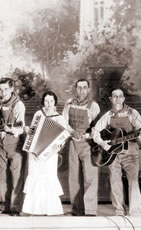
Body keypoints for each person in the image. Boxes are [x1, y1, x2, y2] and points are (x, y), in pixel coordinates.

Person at [92, 88, 141, 216]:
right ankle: (119, 211)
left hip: (131, 153)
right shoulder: (108, 115)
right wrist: (102, 143)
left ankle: (135, 212)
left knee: (133, 181)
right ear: (111, 99)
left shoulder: (133, 113)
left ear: (123, 99)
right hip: (113, 154)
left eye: (120, 96)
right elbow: (95, 131)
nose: (117, 99)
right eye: (114, 96)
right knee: (115, 181)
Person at [22, 91, 69, 216]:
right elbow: (32, 132)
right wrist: (28, 129)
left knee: (48, 178)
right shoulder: (39, 114)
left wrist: (54, 148)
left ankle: (51, 210)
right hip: (34, 153)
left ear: (55, 103)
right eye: (46, 101)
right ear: (43, 102)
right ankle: (31, 209)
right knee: (35, 177)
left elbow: (62, 138)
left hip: (50, 155)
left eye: (51, 101)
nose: (48, 104)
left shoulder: (60, 119)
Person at [0, 77, 26, 216]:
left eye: (6, 89)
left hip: (14, 144)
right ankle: (5, 205)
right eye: (1, 89)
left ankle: (15, 207)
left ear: (12, 89)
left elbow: (20, 127)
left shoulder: (18, 105)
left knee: (16, 176)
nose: (3, 92)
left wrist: (9, 129)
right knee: (1, 175)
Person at [62, 79, 100, 216]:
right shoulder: (69, 103)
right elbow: (63, 121)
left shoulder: (94, 106)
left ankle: (90, 210)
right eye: (79, 88)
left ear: (88, 89)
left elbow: (97, 128)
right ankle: (77, 209)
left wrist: (86, 134)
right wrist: (72, 132)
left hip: (88, 144)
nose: (82, 90)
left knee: (90, 177)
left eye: (84, 88)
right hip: (73, 142)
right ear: (75, 89)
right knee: (74, 177)